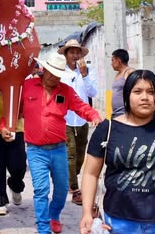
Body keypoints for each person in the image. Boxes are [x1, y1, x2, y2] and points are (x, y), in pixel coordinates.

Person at [80, 69, 155, 234]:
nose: (145, 97)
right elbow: (90, 174)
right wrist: (87, 213)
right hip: (120, 223)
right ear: (127, 96)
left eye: (151, 92)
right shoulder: (107, 129)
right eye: (137, 91)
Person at [21, 52, 102, 234]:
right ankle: (43, 228)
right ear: (43, 70)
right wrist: (6, 125)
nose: (53, 77)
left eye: (57, 74)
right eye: (50, 72)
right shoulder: (27, 86)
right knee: (41, 190)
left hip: (58, 149)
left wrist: (94, 116)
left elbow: (81, 107)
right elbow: (14, 109)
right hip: (36, 150)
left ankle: (54, 215)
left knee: (62, 189)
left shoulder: (65, 90)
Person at [57, 39, 98, 205]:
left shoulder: (88, 71)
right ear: (66, 55)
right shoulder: (60, 72)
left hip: (82, 119)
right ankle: (74, 188)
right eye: (71, 52)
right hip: (65, 119)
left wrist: (85, 74)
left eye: (77, 52)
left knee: (80, 154)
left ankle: (71, 177)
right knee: (70, 154)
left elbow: (93, 92)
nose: (75, 55)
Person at [110, 49, 135, 118]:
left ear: (118, 60)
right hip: (116, 114)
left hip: (125, 114)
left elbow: (136, 90)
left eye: (112, 60)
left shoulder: (129, 72)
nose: (111, 63)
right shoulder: (118, 74)